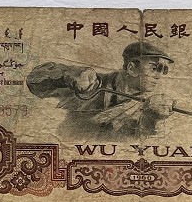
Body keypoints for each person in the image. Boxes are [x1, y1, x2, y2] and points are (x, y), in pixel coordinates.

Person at [27, 41, 175, 137]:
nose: (159, 76)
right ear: (131, 68)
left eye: (163, 70)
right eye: (154, 68)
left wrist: (153, 119)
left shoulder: (152, 106)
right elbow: (34, 81)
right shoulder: (91, 84)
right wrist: (67, 75)